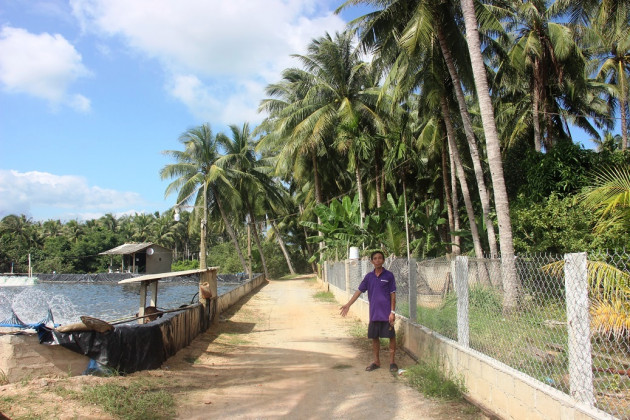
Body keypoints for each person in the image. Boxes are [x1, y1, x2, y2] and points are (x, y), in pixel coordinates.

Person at [340, 250, 397, 372]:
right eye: (375, 258)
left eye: (380, 258)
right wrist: (348, 304)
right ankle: (376, 361)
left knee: (391, 337)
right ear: (372, 261)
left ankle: (392, 362)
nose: (377, 260)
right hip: (374, 314)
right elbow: (359, 291)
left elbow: (393, 295)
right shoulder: (369, 277)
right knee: (375, 338)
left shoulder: (389, 276)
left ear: (383, 260)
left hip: (386, 315)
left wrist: (392, 312)